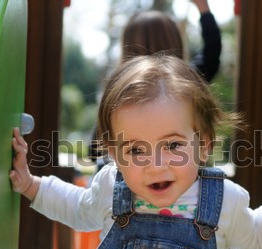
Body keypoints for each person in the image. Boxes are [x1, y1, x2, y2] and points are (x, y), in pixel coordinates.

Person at [9, 55, 262, 249]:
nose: (155, 165)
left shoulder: (224, 200)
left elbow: (256, 238)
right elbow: (75, 206)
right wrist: (30, 185)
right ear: (114, 155)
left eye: (172, 145)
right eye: (136, 150)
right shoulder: (110, 187)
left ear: (204, 144)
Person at [88, 0, 222, 166]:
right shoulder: (186, 82)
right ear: (176, 43)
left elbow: (93, 150)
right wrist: (203, 8)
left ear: (127, 48)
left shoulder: (119, 89)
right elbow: (212, 51)